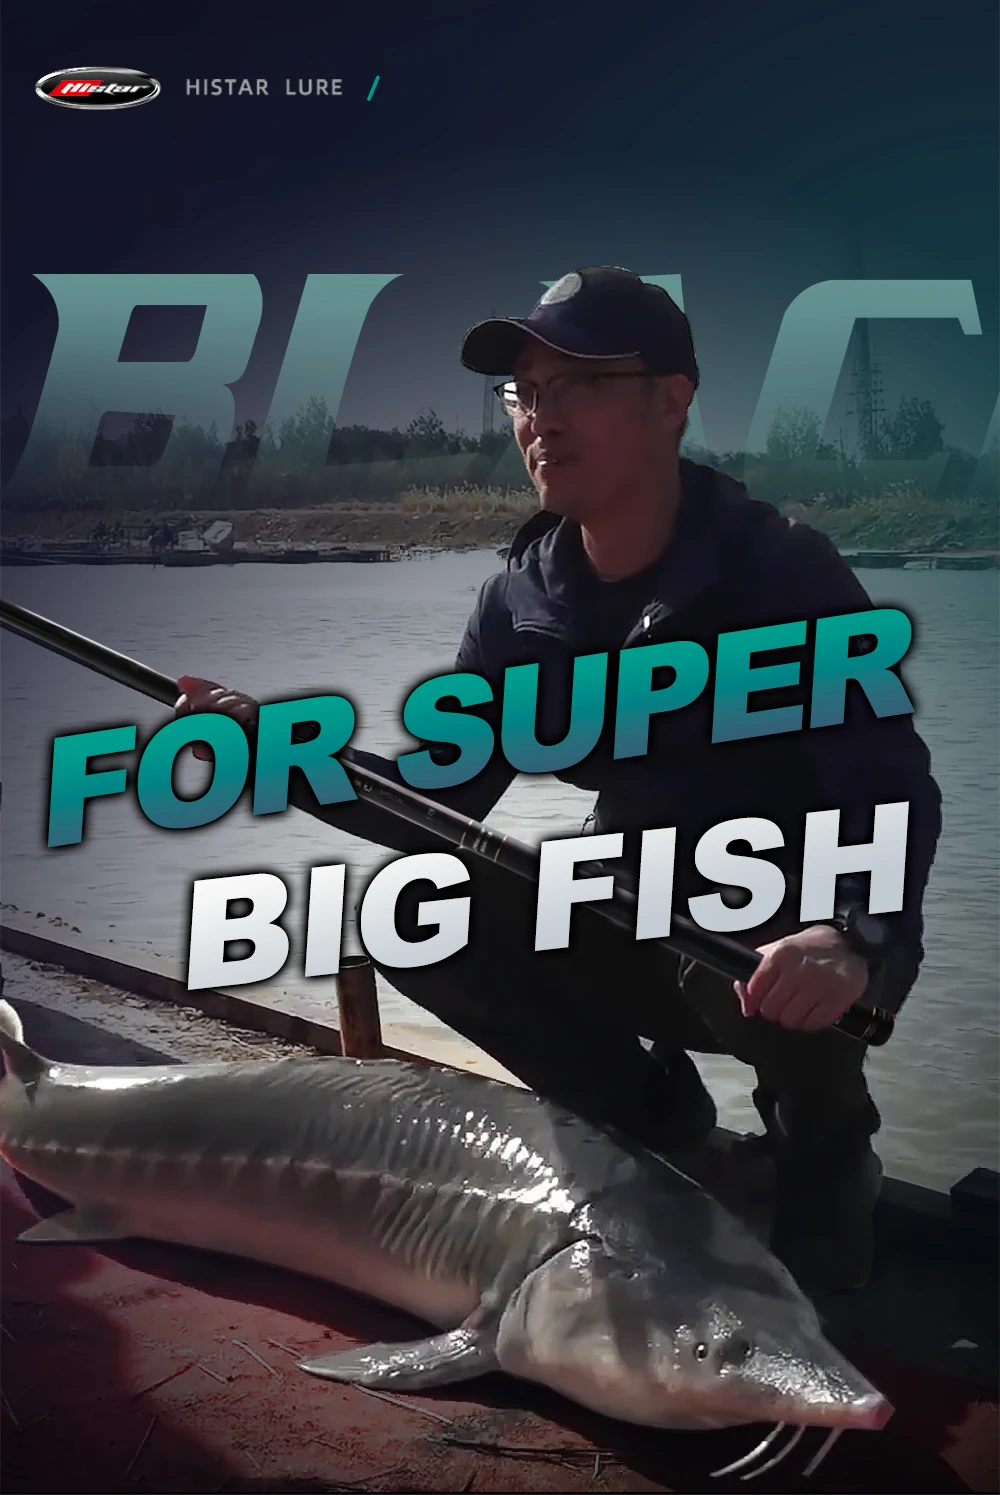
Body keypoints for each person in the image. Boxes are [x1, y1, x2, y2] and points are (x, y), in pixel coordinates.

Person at [174, 267, 943, 1296]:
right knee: (416, 910)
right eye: (525, 392)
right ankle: (658, 1125)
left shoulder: (783, 572)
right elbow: (436, 803)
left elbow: (891, 785)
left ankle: (826, 1168)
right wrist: (270, 750)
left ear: (669, 400)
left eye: (577, 384)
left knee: (758, 954)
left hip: (782, 937)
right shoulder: (518, 599)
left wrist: (853, 935)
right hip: (626, 906)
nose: (541, 416)